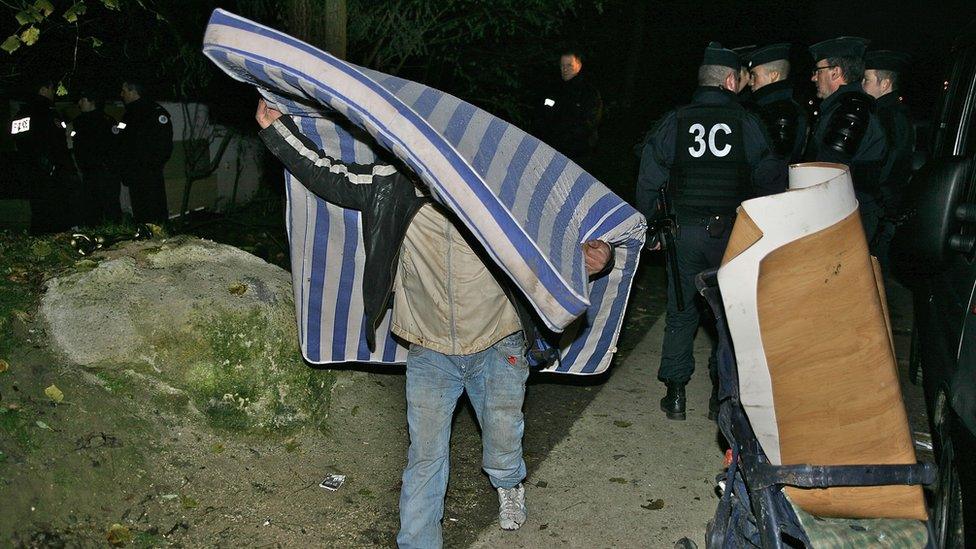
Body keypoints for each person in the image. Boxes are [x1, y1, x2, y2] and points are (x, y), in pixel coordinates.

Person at [254, 99, 612, 548]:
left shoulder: (501, 193)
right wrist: (277, 130)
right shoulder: (391, 184)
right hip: (429, 347)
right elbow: (329, 174)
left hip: (498, 340)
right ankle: (418, 541)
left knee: (503, 433)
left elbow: (562, 227)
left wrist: (593, 260)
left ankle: (508, 483)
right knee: (424, 456)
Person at [636, 42, 786, 421]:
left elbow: (649, 178)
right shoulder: (747, 122)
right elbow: (770, 178)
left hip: (683, 233)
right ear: (732, 80)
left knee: (682, 309)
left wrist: (649, 228)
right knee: (730, 314)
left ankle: (674, 394)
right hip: (731, 236)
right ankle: (721, 396)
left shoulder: (675, 120)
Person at [804, 36, 887, 242]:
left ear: (836, 72)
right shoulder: (841, 108)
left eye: (818, 70)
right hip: (845, 214)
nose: (814, 78)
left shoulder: (850, 111)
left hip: (848, 218)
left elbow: (827, 173)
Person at [862, 50, 914, 274]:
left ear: (885, 84)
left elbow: (889, 165)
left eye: (867, 80)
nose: (862, 85)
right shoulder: (893, 113)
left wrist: (877, 202)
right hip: (883, 209)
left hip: (879, 211)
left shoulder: (887, 117)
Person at [12, 78, 76, 233]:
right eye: (51, 88)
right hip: (43, 172)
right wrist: (44, 162)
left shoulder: (49, 111)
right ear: (42, 90)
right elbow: (22, 140)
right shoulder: (31, 112)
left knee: (50, 210)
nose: (54, 92)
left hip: (47, 171)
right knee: (46, 211)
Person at [117, 79, 173, 223]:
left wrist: (150, 167)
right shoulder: (128, 115)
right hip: (134, 175)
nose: (121, 94)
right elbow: (122, 142)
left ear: (133, 91)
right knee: (140, 214)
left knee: (155, 214)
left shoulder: (154, 112)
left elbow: (163, 145)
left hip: (150, 175)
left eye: (124, 91)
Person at [534, 49, 603, 163]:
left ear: (579, 66)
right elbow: (541, 117)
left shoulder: (589, 93)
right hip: (549, 151)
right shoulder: (553, 89)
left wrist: (562, 137)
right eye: (562, 65)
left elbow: (588, 124)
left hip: (577, 156)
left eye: (569, 65)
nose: (565, 69)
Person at [748, 43, 809, 163]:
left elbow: (775, 165)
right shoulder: (792, 108)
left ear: (774, 76)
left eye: (754, 75)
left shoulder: (779, 112)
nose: (750, 82)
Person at [73, 89, 122, 224]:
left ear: (92, 102)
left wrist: (110, 167)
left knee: (111, 208)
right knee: (91, 210)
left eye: (83, 100)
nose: (79, 103)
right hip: (89, 174)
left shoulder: (106, 121)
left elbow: (115, 146)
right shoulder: (79, 122)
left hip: (106, 173)